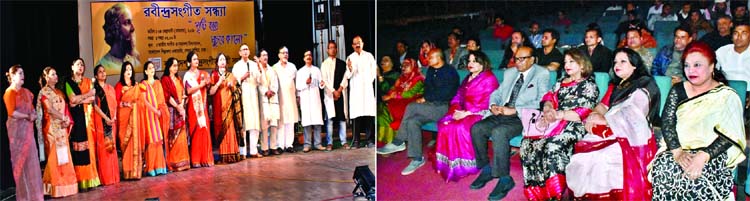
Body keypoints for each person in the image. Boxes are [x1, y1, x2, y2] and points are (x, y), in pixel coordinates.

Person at [650, 41, 746, 200]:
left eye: (697, 65)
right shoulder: (678, 89)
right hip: (678, 150)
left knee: (694, 179)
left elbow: (730, 134)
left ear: (711, 66)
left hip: (712, 154)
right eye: (687, 65)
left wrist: (703, 156)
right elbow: (667, 122)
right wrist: (677, 151)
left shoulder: (726, 95)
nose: (690, 70)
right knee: (664, 167)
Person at [566, 48, 660, 200]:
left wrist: (606, 120)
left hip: (633, 135)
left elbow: (635, 113)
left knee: (602, 158)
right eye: (615, 62)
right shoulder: (616, 86)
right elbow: (602, 106)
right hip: (610, 131)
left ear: (634, 65)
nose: (617, 65)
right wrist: (594, 114)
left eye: (623, 61)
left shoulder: (645, 84)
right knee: (584, 157)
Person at [470, 46, 550, 201]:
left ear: (532, 59)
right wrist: (493, 105)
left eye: (522, 59)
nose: (517, 62)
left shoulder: (541, 73)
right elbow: (498, 93)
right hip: (502, 112)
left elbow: (542, 100)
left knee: (499, 132)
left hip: (522, 116)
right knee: (477, 128)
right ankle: (486, 169)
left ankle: (505, 179)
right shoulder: (510, 72)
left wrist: (514, 110)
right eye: (516, 58)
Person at [520, 48, 599, 200]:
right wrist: (548, 108)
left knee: (552, 145)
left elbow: (582, 112)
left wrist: (557, 115)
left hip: (574, 124)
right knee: (527, 143)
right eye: (565, 62)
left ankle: (554, 193)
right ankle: (537, 191)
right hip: (553, 120)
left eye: (571, 62)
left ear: (582, 65)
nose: (567, 65)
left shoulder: (589, 85)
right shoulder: (561, 81)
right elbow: (548, 96)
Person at [377, 48, 460, 176]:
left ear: (439, 58)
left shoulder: (450, 72)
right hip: (429, 106)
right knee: (412, 122)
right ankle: (417, 159)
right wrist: (426, 99)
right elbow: (427, 88)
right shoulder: (432, 70)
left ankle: (398, 141)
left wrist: (426, 98)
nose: (427, 60)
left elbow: (447, 93)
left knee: (411, 107)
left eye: (430, 57)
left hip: (442, 108)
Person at [435, 51, 499, 181]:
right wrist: (456, 110)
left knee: (460, 128)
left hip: (480, 113)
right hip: (463, 111)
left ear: (482, 64)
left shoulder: (489, 78)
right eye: (469, 61)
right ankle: (449, 164)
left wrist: (467, 113)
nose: (470, 64)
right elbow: (458, 96)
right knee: (445, 125)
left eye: (474, 61)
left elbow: (489, 102)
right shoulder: (468, 78)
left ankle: (466, 165)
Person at [4, 65, 43, 200]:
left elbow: (32, 110)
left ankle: (36, 197)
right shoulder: (9, 93)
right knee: (21, 166)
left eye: (23, 73)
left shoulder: (27, 92)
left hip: (28, 134)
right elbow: (11, 112)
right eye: (20, 73)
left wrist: (33, 115)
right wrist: (27, 116)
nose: (22, 75)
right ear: (13, 76)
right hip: (17, 136)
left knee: (32, 165)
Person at [38, 67, 78, 197]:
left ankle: (66, 186)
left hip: (62, 127)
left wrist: (67, 120)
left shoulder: (59, 92)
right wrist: (62, 117)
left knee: (64, 157)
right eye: (53, 74)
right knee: (54, 157)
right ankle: (55, 187)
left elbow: (65, 109)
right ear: (46, 77)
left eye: (56, 74)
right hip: (51, 128)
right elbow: (49, 110)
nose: (56, 76)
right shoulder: (44, 92)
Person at [63, 58, 100, 190]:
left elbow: (91, 99)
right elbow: (71, 100)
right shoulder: (68, 83)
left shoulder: (88, 82)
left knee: (90, 150)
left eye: (82, 65)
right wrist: (87, 95)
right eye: (78, 64)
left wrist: (82, 98)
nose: (81, 67)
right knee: (80, 150)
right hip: (77, 121)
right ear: (72, 67)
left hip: (88, 120)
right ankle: (81, 180)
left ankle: (91, 179)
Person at [379, 58, 424, 144]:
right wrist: (390, 94)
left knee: (389, 112)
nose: (403, 67)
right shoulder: (401, 78)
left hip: (412, 102)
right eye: (402, 65)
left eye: (407, 65)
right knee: (383, 111)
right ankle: (388, 140)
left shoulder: (419, 79)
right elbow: (393, 88)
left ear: (413, 66)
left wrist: (393, 95)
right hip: (399, 100)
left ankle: (394, 141)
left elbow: (410, 94)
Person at [90, 64, 120, 185]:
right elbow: (95, 106)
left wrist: (114, 117)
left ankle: (115, 177)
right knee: (104, 149)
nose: (103, 73)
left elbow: (115, 104)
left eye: (104, 71)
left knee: (112, 148)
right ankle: (106, 179)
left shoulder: (110, 88)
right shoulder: (95, 90)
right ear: (96, 76)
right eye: (100, 72)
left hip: (112, 122)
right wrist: (106, 118)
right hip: (101, 122)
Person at [183, 51, 214, 167]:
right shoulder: (187, 76)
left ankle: (205, 159)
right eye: (194, 59)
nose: (197, 61)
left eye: (197, 59)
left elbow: (208, 86)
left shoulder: (203, 74)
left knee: (204, 130)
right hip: (193, 108)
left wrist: (207, 83)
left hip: (203, 107)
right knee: (196, 131)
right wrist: (200, 85)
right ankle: (196, 160)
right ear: (189, 62)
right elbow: (188, 91)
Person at [232, 44, 263, 158]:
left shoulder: (254, 65)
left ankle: (254, 151)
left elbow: (260, 80)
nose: (245, 51)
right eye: (243, 50)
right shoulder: (236, 66)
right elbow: (234, 82)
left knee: (254, 124)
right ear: (239, 53)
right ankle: (242, 152)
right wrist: (243, 77)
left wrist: (259, 68)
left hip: (253, 97)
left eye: (247, 49)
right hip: (243, 96)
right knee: (243, 125)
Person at [210, 53, 242, 163]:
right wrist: (219, 82)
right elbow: (211, 92)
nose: (222, 61)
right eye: (220, 59)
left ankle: (233, 154)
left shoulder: (231, 75)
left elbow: (238, 91)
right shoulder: (214, 75)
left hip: (229, 109)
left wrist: (231, 86)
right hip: (219, 109)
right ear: (217, 63)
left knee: (230, 131)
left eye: (224, 59)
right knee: (220, 132)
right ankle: (223, 156)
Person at [138, 61, 168, 176]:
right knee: (151, 140)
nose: (152, 69)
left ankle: (160, 167)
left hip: (158, 115)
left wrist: (160, 111)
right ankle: (151, 168)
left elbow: (161, 99)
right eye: (149, 68)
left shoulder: (158, 83)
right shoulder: (143, 84)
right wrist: (154, 111)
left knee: (158, 140)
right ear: (145, 71)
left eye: (153, 67)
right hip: (148, 115)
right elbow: (144, 101)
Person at [160, 58, 191, 171]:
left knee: (182, 137)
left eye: (177, 65)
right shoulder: (165, 79)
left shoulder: (178, 79)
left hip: (180, 110)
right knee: (173, 137)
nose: (176, 68)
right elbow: (167, 96)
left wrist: (182, 106)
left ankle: (184, 163)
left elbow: (183, 94)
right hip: (171, 111)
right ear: (169, 67)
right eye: (174, 65)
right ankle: (174, 163)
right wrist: (177, 107)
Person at [347, 36, 378, 148]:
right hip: (356, 90)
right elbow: (348, 75)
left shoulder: (369, 56)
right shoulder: (350, 57)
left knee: (369, 114)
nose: (357, 45)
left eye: (359, 42)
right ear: (352, 46)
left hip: (367, 89)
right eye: (355, 43)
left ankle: (370, 140)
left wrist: (368, 81)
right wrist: (350, 68)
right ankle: (356, 141)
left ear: (362, 43)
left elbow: (373, 71)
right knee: (356, 115)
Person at [115, 61, 142, 179]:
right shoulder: (119, 86)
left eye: (130, 69)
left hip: (135, 117)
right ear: (123, 72)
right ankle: (127, 171)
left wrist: (135, 105)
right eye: (126, 70)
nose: (129, 72)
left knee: (134, 143)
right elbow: (115, 103)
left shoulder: (136, 85)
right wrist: (126, 104)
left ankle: (136, 172)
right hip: (124, 118)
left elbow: (140, 100)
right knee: (125, 144)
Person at [321, 41, 350, 150]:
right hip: (330, 94)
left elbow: (345, 78)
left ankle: (344, 141)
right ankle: (329, 142)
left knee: (342, 118)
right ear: (327, 50)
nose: (332, 49)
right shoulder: (324, 64)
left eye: (334, 47)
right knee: (330, 119)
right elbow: (325, 80)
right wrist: (333, 91)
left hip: (340, 93)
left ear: (337, 49)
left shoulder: (342, 63)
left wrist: (339, 90)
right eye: (330, 48)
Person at [97, 3, 140, 74]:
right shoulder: (103, 65)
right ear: (115, 28)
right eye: (127, 22)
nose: (132, 28)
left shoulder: (134, 62)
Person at [297, 51, 326, 152]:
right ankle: (307, 144)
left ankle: (318, 144)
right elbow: (298, 86)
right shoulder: (300, 72)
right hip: (305, 99)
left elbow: (321, 84)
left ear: (312, 58)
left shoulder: (316, 70)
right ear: (304, 58)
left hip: (315, 98)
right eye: (306, 56)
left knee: (317, 122)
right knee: (307, 123)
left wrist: (322, 83)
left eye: (310, 55)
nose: (308, 57)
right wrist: (306, 83)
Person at [273, 46, 299, 154]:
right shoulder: (274, 68)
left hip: (291, 98)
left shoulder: (292, 67)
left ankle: (289, 144)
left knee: (290, 122)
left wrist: (298, 96)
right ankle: (280, 145)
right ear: (279, 55)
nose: (285, 55)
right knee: (281, 122)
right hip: (280, 98)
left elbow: (297, 82)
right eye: (283, 53)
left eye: (287, 53)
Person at [257, 49, 282, 155]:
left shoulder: (272, 70)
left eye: (266, 55)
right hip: (264, 100)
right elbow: (258, 84)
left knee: (273, 125)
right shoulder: (258, 70)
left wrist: (272, 91)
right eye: (263, 55)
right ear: (259, 58)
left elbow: (276, 84)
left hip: (272, 98)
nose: (265, 57)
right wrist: (265, 92)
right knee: (264, 125)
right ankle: (264, 148)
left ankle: (273, 146)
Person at [716, 22, 750, 97]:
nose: (739, 37)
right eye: (735, 33)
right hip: (726, 92)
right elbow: (710, 70)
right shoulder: (722, 51)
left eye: (744, 33)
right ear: (731, 36)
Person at [377, 55, 400, 144]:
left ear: (392, 64)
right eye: (382, 60)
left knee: (383, 116)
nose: (383, 62)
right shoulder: (380, 75)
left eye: (386, 60)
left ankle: (388, 142)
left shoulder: (396, 75)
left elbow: (387, 89)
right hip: (379, 103)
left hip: (392, 103)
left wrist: (379, 76)